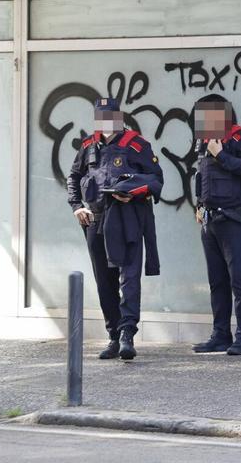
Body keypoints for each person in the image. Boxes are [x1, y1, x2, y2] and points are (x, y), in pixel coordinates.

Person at [66, 97, 164, 361]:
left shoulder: (136, 144)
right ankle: (112, 336)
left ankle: (127, 336)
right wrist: (77, 206)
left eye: (110, 115)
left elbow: (156, 180)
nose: (106, 120)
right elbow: (74, 177)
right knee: (104, 282)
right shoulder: (88, 145)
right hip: (95, 220)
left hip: (127, 218)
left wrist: (131, 193)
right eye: (101, 115)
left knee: (129, 278)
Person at [190, 94, 241, 356]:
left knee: (239, 279)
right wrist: (199, 204)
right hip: (210, 220)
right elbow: (202, 177)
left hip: (235, 218)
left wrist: (221, 155)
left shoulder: (240, 137)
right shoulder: (204, 141)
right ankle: (220, 334)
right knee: (217, 281)